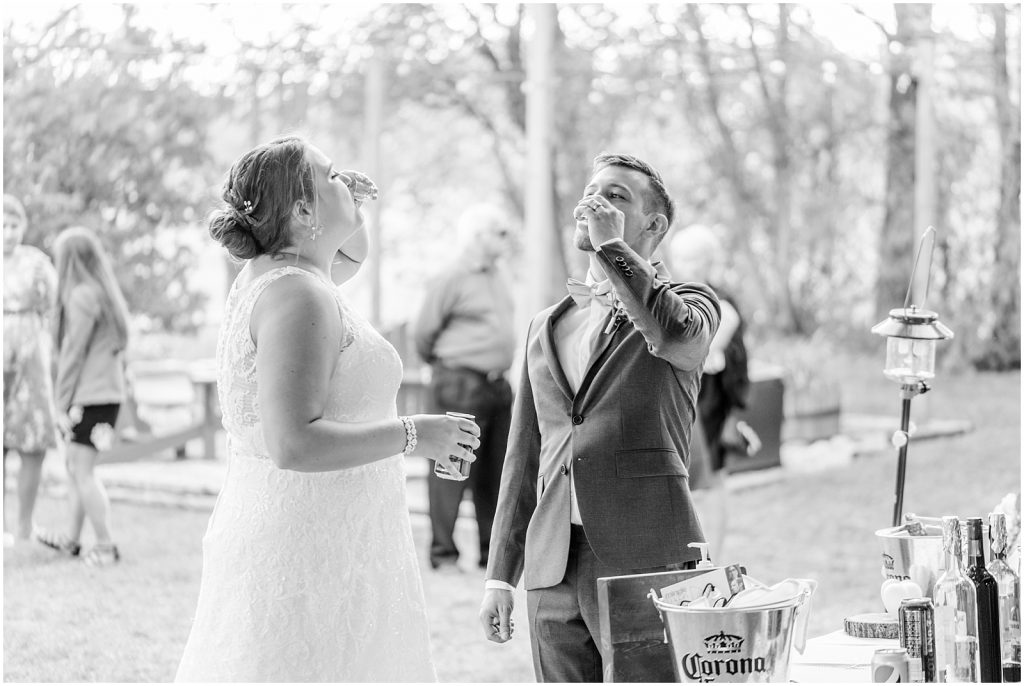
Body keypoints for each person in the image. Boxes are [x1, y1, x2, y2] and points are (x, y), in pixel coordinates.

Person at [175, 136, 480, 682]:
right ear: (302, 209)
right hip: (308, 546)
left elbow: (351, 253)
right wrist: (415, 434)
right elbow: (293, 442)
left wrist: (346, 203)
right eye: (332, 174)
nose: (349, 179)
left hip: (327, 532)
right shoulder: (298, 294)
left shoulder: (293, 275)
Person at [478, 153, 721, 682]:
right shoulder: (546, 325)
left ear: (654, 226)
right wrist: (501, 575)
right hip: (552, 564)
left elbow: (676, 338)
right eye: (592, 192)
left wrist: (613, 247)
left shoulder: (690, 306)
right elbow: (524, 454)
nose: (596, 204)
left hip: (644, 555)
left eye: (617, 197)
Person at [412, 203, 516, 573]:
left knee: (496, 471)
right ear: (476, 238)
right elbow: (422, 334)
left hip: (497, 385)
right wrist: (449, 366)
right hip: (458, 382)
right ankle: (444, 554)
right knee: (450, 469)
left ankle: (492, 556)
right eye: (499, 232)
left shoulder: (499, 275)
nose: (507, 239)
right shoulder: (451, 278)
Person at [33, 226, 131, 566]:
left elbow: (72, 354)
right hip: (105, 395)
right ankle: (72, 540)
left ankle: (105, 545)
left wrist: (59, 403)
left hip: (91, 396)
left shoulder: (81, 296)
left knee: (82, 469)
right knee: (78, 467)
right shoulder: (101, 293)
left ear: (70, 260)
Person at [670, 224, 761, 563]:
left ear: (709, 262)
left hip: (709, 405)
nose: (685, 265)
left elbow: (697, 351)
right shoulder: (678, 297)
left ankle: (711, 558)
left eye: (694, 258)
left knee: (712, 484)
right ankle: (691, 556)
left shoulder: (723, 306)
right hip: (687, 402)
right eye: (681, 257)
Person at [2, 194, 59, 547]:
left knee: (31, 441)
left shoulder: (37, 263)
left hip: (30, 358)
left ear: (23, 227)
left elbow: (51, 307)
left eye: (14, 225)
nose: (8, 233)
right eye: (2, 226)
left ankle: (24, 525)